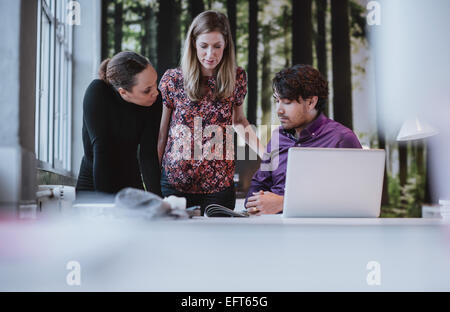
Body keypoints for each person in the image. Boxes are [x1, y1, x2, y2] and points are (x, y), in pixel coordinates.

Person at [158, 11, 265, 214]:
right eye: (204, 46)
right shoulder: (172, 79)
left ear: (226, 46)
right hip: (175, 184)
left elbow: (239, 121)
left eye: (217, 46)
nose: (210, 54)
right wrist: (152, 180)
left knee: (219, 243)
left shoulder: (237, 77)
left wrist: (266, 155)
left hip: (219, 186)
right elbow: (163, 133)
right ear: (193, 44)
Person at [245, 64, 362, 215]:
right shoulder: (277, 137)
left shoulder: (342, 139)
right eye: (276, 100)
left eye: (287, 102)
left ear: (311, 102)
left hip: (317, 230)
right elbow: (259, 183)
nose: (279, 110)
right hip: (270, 226)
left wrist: (284, 203)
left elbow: (354, 199)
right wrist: (255, 205)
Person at [76, 51, 162, 195]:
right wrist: (106, 206)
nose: (156, 92)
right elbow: (101, 149)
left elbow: (148, 155)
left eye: (155, 83)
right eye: (147, 90)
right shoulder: (98, 92)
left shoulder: (153, 101)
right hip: (94, 181)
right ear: (123, 92)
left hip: (131, 183)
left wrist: (158, 200)